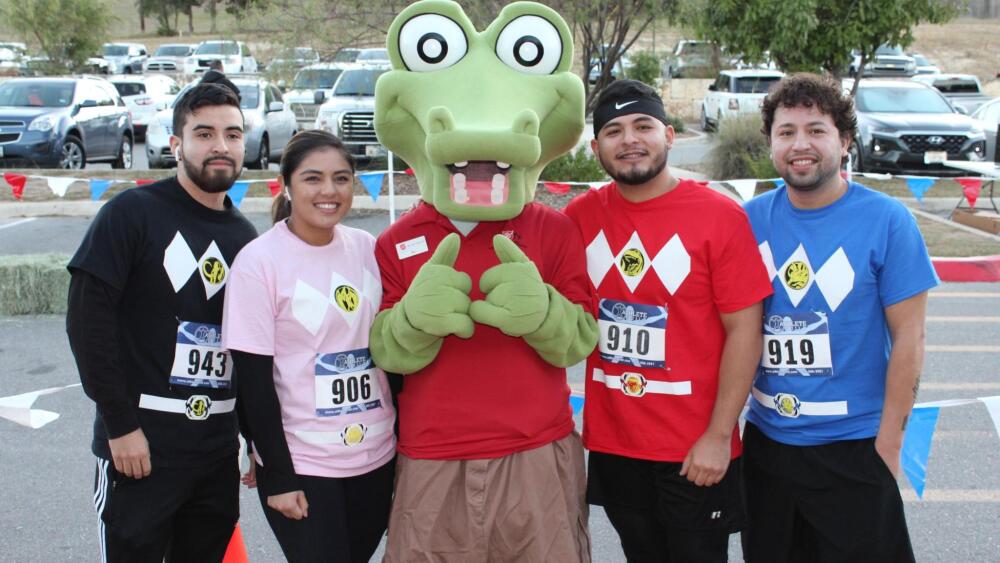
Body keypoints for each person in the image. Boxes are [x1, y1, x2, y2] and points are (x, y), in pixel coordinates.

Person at [563, 79, 773, 562]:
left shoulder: (720, 216)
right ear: (596, 148)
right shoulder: (579, 218)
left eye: (643, 126)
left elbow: (745, 330)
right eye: (613, 131)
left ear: (670, 135)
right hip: (615, 445)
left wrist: (719, 436)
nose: (629, 140)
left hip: (694, 450)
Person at [741, 73, 939, 563]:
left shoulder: (888, 221)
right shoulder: (749, 219)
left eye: (816, 130)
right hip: (767, 446)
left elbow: (909, 339)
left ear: (845, 141)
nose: (800, 144)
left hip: (854, 447)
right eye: (786, 132)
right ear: (770, 144)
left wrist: (889, 445)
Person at [66, 81, 256, 562]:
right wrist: (120, 426)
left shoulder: (245, 237)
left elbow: (251, 350)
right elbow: (88, 326)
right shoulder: (131, 214)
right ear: (175, 145)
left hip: (213, 456)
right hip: (141, 450)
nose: (221, 146)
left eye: (233, 135)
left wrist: (254, 438)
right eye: (205, 133)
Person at [221, 130, 396, 563]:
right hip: (304, 464)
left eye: (341, 179)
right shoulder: (259, 261)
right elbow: (253, 381)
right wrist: (276, 474)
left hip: (376, 457)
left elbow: (393, 354)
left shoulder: (367, 249)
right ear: (287, 185)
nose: (329, 191)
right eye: (313, 179)